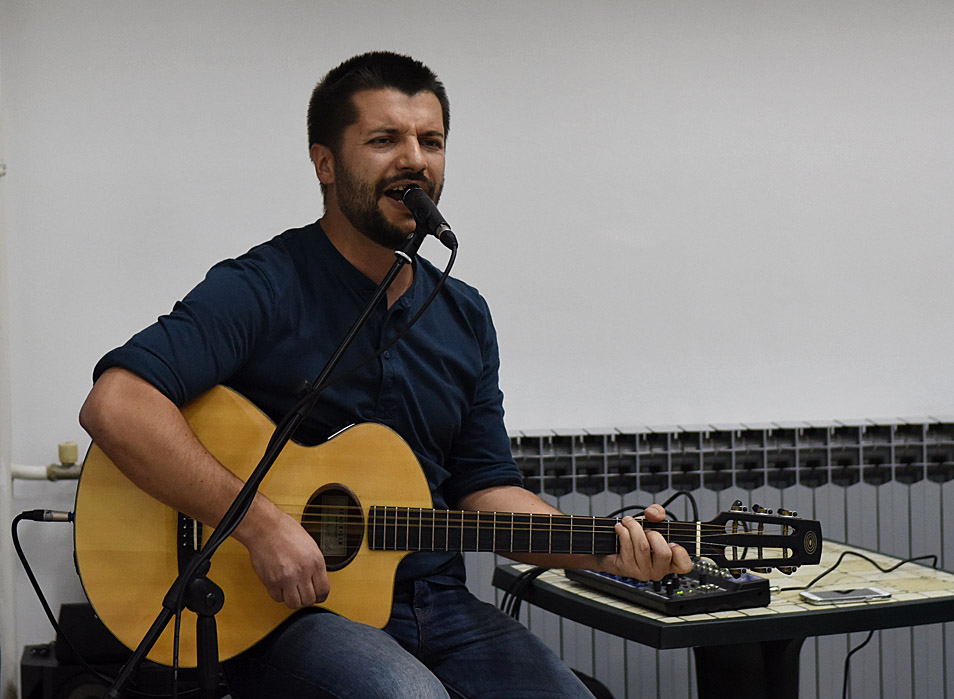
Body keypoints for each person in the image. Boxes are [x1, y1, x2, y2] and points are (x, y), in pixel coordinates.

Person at [79, 51, 692, 698]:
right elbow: (116, 405)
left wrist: (606, 550)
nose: (415, 159)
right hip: (293, 612)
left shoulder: (464, 314)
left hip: (442, 606)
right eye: (384, 140)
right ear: (325, 163)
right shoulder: (263, 285)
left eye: (432, 141)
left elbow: (484, 489)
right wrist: (259, 525)